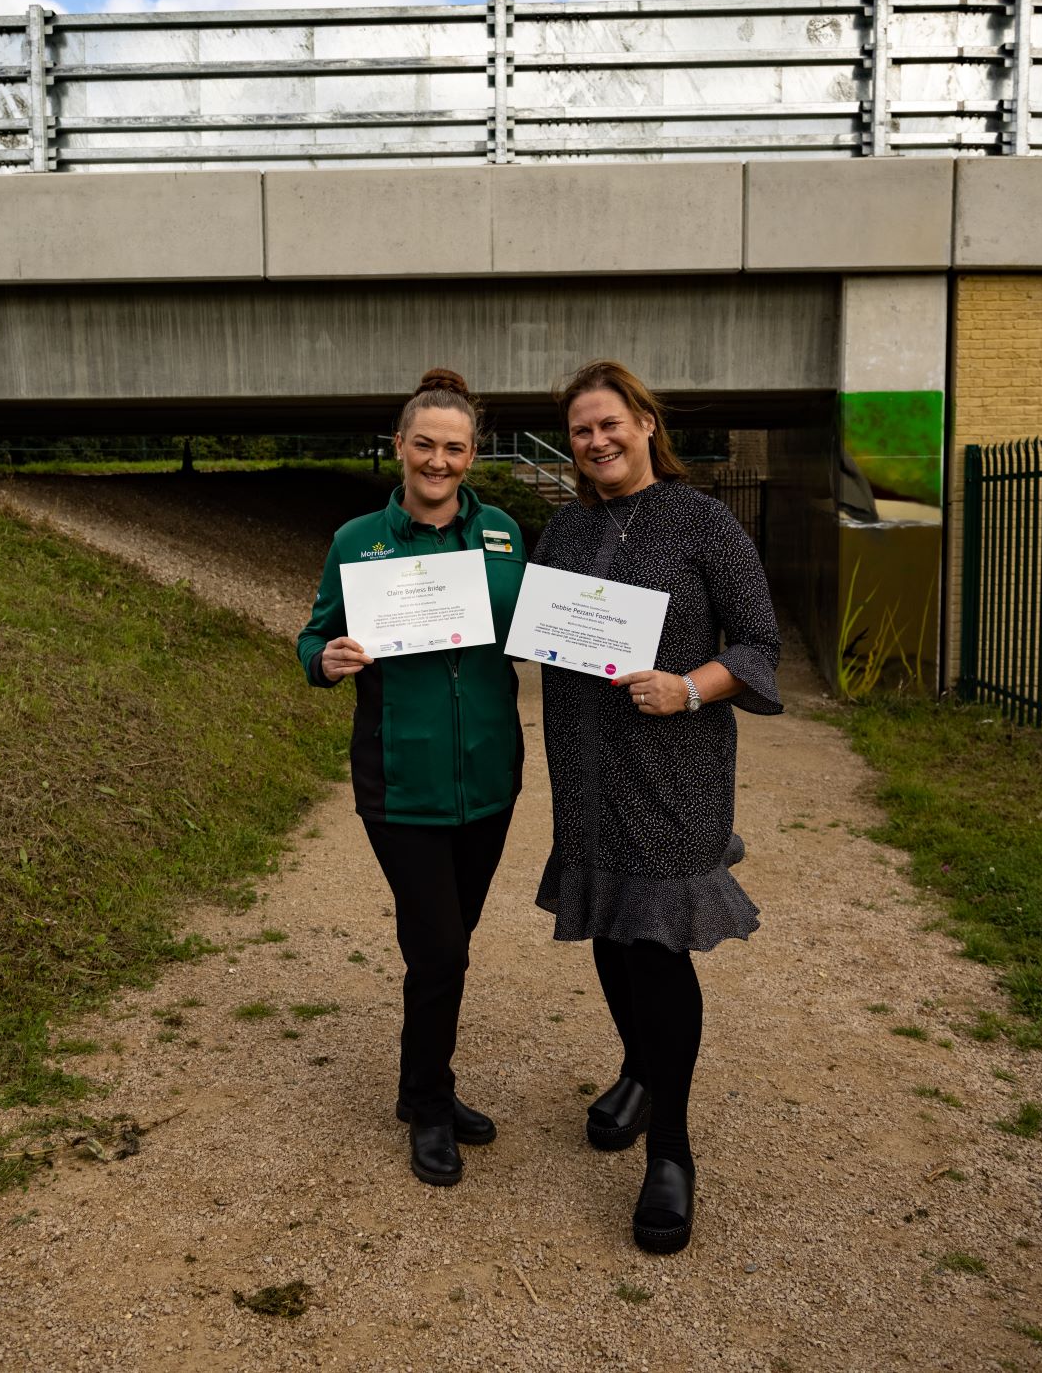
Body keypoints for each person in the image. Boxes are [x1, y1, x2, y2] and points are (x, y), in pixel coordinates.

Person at [532, 360, 781, 1255]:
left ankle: (670, 1151)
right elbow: (538, 627)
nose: (596, 442)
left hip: (674, 762)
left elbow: (758, 642)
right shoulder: (562, 526)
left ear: (643, 423)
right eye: (580, 432)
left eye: (609, 424)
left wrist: (687, 686)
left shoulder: (701, 520)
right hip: (587, 764)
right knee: (607, 923)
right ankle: (637, 1071)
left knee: (656, 942)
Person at [297, 369, 526, 1187]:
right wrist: (323, 660)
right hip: (402, 783)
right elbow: (313, 637)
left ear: (472, 455)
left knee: (451, 946)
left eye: (454, 448)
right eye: (423, 444)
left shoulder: (502, 533)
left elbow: (538, 629)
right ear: (399, 447)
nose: (438, 460)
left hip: (491, 780)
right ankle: (430, 1105)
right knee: (437, 952)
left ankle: (418, 1085)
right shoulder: (358, 539)